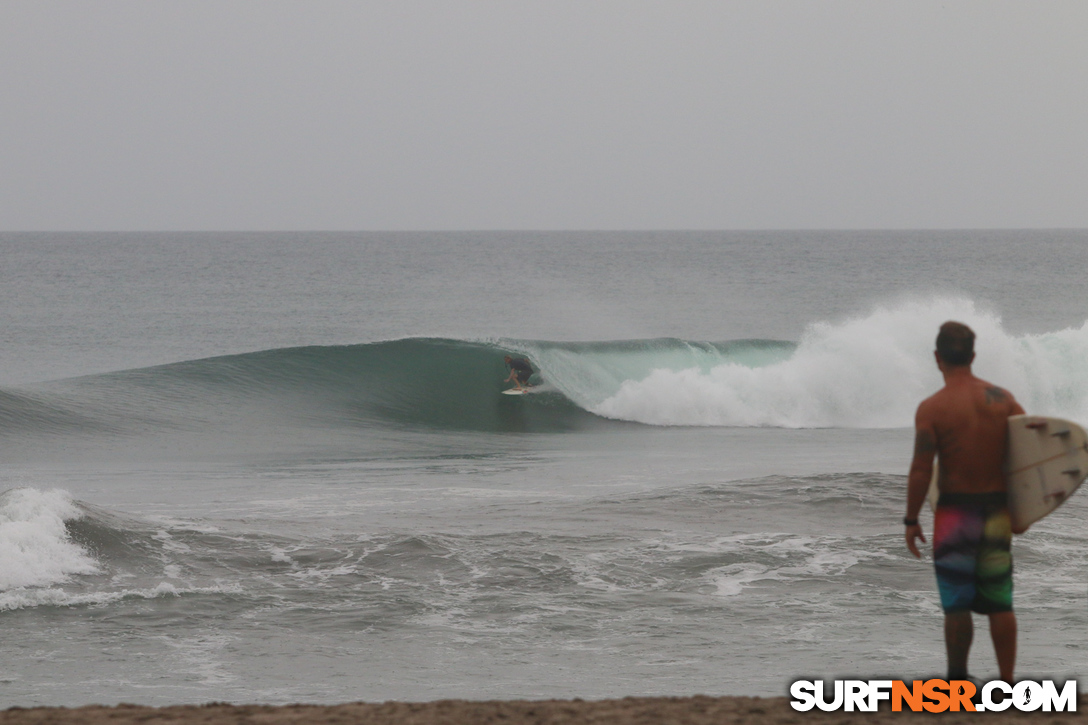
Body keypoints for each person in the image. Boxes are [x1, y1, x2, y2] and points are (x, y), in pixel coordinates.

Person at [904, 321, 1024, 683]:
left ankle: (958, 681)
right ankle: (1007, 682)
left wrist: (911, 520)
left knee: (956, 604)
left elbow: (922, 470)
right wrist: (1024, 511)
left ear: (937, 358)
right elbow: (1026, 459)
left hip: (955, 513)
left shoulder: (932, 408)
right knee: (1000, 602)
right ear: (973, 356)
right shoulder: (1004, 400)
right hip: (997, 510)